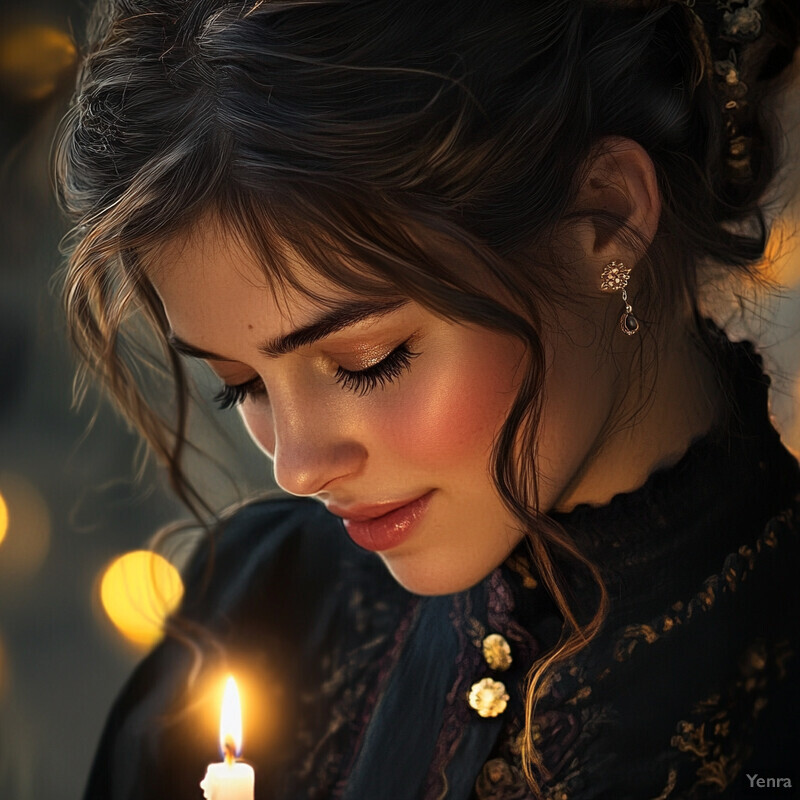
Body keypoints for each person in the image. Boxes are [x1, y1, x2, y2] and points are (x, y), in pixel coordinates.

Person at [53, 0, 800, 797]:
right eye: (239, 386)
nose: (298, 469)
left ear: (604, 217)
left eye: (369, 361)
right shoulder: (257, 607)